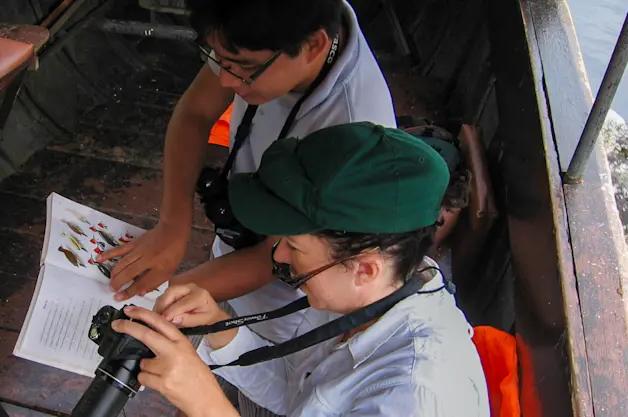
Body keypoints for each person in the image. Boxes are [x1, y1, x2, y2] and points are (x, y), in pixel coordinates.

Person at [110, 122, 490, 417]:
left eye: (294, 246)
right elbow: (301, 394)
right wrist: (220, 329)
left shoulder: (412, 397)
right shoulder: (368, 294)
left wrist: (208, 405)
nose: (278, 256)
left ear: (366, 268)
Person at [98, 0, 397, 319]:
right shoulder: (266, 32)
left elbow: (275, 255)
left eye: (245, 69)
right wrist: (172, 225)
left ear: (314, 45)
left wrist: (163, 294)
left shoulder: (351, 132)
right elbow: (195, 114)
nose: (226, 81)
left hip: (289, 292)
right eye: (221, 61)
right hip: (242, 234)